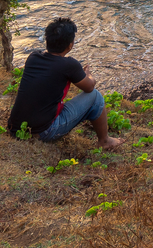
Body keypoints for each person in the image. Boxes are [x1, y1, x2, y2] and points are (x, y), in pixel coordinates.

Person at [7, 17, 121, 149]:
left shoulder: (33, 57)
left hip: (16, 129)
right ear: (70, 45)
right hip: (44, 132)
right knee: (95, 97)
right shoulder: (69, 64)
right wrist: (88, 75)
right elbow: (89, 87)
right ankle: (105, 141)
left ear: (47, 40)